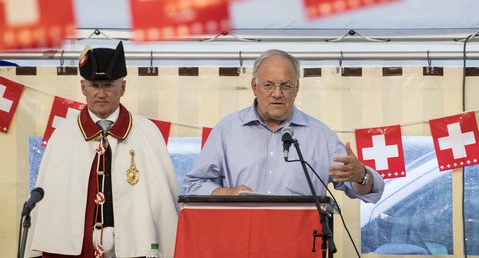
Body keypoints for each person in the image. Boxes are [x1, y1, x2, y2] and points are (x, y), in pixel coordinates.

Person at [28, 41, 179, 258]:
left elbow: (163, 203)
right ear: (83, 88)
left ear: (122, 87)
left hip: (135, 248)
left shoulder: (147, 132)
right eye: (94, 85)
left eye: (108, 85)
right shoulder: (63, 136)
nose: (101, 93)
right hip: (75, 250)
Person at [183, 49, 385, 203]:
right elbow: (194, 185)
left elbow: (371, 190)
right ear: (255, 86)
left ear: (296, 88)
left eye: (286, 86)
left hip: (301, 244)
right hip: (242, 241)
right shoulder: (226, 131)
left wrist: (362, 176)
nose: (277, 93)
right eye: (269, 85)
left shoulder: (320, 136)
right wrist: (229, 193)